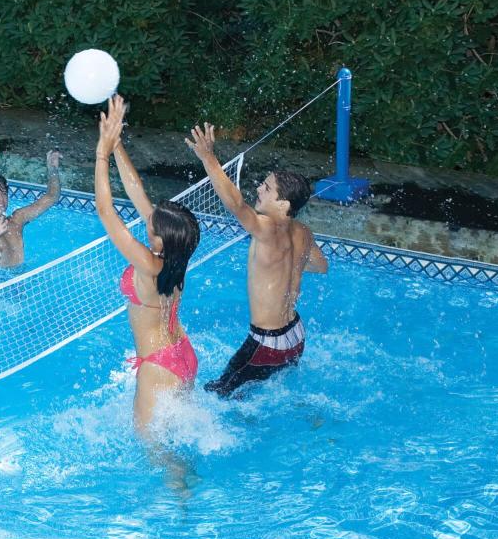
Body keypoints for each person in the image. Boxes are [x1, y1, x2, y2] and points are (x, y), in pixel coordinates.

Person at [185, 122, 328, 398]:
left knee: (216, 395)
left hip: (267, 344)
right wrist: (287, 265)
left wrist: (208, 157)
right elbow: (322, 266)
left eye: (266, 187)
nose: (259, 189)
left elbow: (236, 205)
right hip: (296, 335)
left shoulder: (265, 228)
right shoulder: (303, 232)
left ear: (283, 204)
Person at [95, 95, 201, 437]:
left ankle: (182, 491)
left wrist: (100, 155)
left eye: (151, 224)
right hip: (182, 355)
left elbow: (106, 212)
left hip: (158, 365)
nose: (147, 219)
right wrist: (116, 145)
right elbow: (136, 190)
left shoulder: (149, 264)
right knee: (177, 436)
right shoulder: (175, 258)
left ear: (159, 239)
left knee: (154, 448)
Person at [0, 135, 62, 268]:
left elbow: (52, 197)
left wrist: (53, 169)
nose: (1, 199)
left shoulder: (17, 220)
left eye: (4, 194)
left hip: (20, 279)